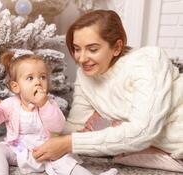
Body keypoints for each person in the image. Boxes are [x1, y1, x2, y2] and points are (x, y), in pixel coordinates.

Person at [32, 9, 183, 164]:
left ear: (117, 47)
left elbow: (142, 131)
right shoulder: (85, 75)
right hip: (158, 148)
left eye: (93, 49)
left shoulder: (148, 62)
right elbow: (76, 125)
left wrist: (68, 144)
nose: (82, 58)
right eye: (77, 49)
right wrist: (46, 137)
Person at [0, 50, 118, 175]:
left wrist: (44, 105)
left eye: (42, 77)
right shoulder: (10, 104)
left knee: (64, 160)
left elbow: (58, 126)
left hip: (46, 149)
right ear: (15, 86)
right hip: (19, 148)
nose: (38, 82)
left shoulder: (50, 103)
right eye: (30, 78)